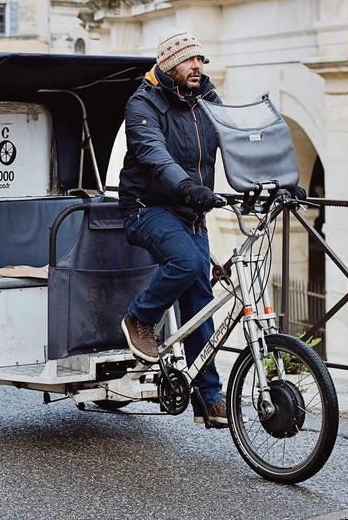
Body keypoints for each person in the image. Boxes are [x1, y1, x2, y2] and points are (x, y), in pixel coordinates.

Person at [118, 30, 227, 426]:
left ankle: (207, 397)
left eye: (200, 59)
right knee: (186, 262)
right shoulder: (143, 103)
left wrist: (277, 180)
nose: (197, 65)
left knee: (200, 301)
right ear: (168, 64)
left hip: (190, 210)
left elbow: (239, 141)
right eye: (188, 59)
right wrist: (186, 187)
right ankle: (139, 317)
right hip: (147, 208)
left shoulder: (207, 99)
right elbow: (154, 154)